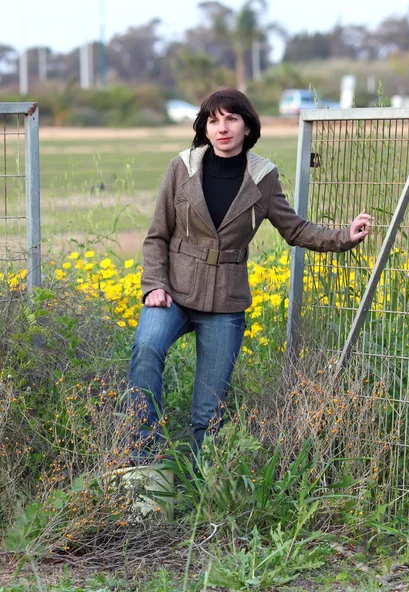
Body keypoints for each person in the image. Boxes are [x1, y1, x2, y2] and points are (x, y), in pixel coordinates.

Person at [128, 87, 371, 456]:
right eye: (213, 120)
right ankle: (142, 459)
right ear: (205, 129)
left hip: (226, 302)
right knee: (146, 347)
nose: (221, 127)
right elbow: (156, 235)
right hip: (173, 290)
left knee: (208, 413)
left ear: (247, 126)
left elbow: (295, 229)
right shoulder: (182, 167)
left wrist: (344, 236)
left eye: (230, 118)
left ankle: (200, 491)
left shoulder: (263, 177)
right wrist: (155, 286)